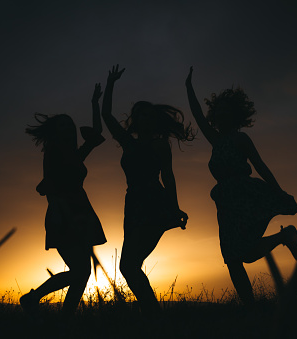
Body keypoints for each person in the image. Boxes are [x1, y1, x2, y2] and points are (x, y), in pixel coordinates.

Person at [185, 67, 297, 306]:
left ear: (235, 116)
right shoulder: (215, 140)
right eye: (219, 112)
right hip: (225, 202)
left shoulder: (241, 139)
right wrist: (188, 88)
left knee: (244, 252)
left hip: (244, 197)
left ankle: (285, 236)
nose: (222, 116)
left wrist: (279, 192)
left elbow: (260, 166)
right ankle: (250, 306)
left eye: (227, 112)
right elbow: (197, 115)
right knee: (232, 256)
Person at [101, 65, 193, 315]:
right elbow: (107, 116)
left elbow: (169, 177)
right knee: (131, 266)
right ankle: (153, 316)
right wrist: (111, 83)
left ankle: (154, 316)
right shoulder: (128, 143)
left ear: (156, 122)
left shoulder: (160, 145)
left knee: (128, 266)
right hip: (133, 204)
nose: (146, 119)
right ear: (135, 120)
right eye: (141, 115)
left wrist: (174, 209)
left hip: (153, 203)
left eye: (150, 115)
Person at [20, 83, 107, 320]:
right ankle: (33, 298)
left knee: (83, 273)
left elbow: (97, 133)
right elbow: (51, 188)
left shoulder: (75, 154)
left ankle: (65, 318)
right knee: (80, 271)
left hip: (82, 210)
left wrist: (94, 103)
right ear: (55, 131)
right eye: (63, 125)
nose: (68, 128)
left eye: (70, 125)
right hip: (63, 212)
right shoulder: (53, 151)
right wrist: (65, 215)